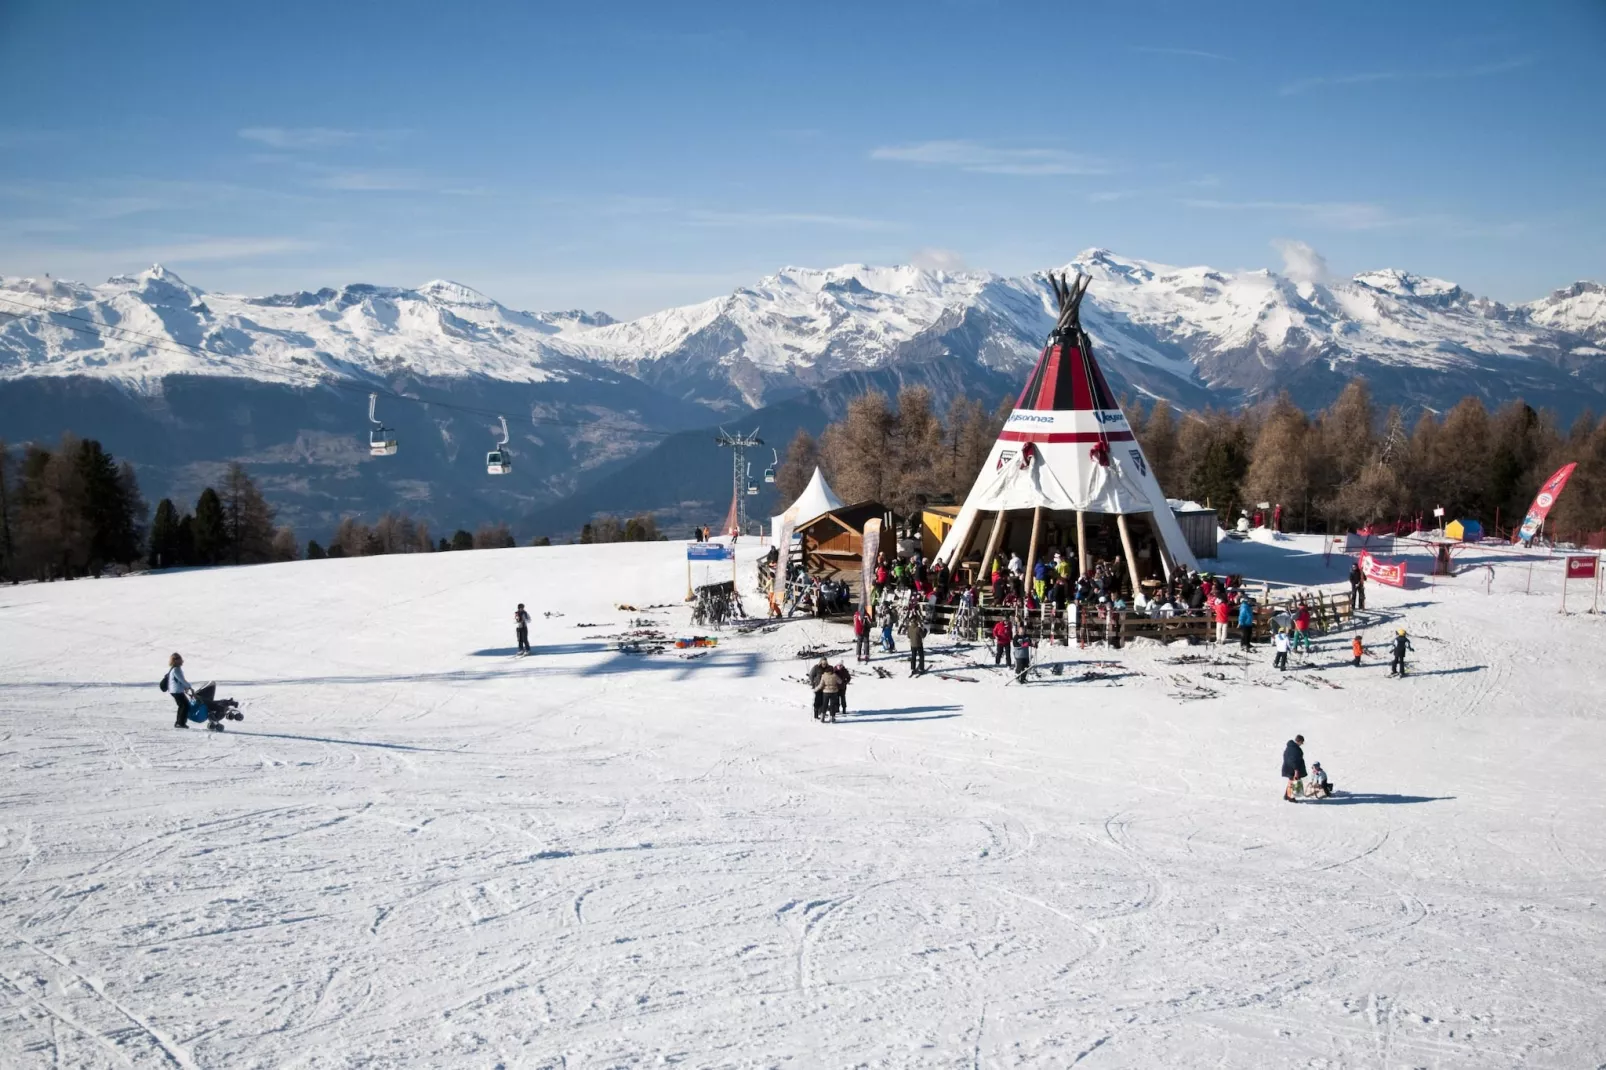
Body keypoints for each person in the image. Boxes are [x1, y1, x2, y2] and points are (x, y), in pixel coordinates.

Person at [163, 652, 241, 731]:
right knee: (184, 706)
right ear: (175, 660)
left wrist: (186, 688)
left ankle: (180, 722)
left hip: (176, 690)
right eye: (180, 659)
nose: (182, 661)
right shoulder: (176, 669)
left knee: (184, 706)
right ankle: (180, 723)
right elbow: (182, 680)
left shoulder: (174, 669)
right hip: (176, 691)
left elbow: (178, 681)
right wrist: (189, 687)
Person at [1282, 734, 1307, 802]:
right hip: (1292, 769)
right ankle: (1291, 797)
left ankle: (1287, 795)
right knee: (1292, 782)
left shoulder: (1290, 747)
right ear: (1299, 741)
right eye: (1302, 742)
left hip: (1288, 767)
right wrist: (1296, 770)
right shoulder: (1294, 749)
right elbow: (1293, 760)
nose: (1302, 743)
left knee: (1291, 781)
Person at [818, 658, 844, 722]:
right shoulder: (835, 675)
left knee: (825, 704)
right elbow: (840, 682)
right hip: (834, 692)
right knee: (832, 705)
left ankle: (822, 717)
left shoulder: (824, 676)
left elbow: (821, 684)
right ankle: (832, 717)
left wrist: (816, 689)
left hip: (825, 692)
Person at [808, 656, 831, 721]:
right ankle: (816, 714)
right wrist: (813, 682)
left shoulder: (828, 668)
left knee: (824, 701)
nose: (824, 664)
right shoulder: (816, 667)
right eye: (823, 662)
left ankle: (821, 713)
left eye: (825, 662)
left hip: (825, 687)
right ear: (820, 662)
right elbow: (811, 675)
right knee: (817, 700)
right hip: (818, 686)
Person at [907, 606, 927, 675]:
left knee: (913, 657)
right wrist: (925, 631)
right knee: (921, 656)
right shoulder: (918, 628)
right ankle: (921, 668)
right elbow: (923, 636)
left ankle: (913, 668)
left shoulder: (909, 628)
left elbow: (908, 636)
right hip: (919, 644)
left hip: (912, 645)